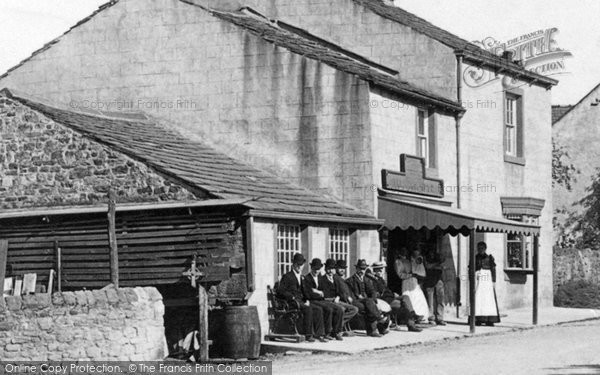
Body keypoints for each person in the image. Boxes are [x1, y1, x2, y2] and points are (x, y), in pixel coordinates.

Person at [277, 253, 327, 342]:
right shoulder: (287, 276)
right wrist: (291, 297)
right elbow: (281, 291)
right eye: (297, 264)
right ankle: (308, 334)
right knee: (308, 309)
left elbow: (306, 292)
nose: (299, 267)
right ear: (293, 264)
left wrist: (307, 299)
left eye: (301, 265)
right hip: (291, 303)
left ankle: (319, 334)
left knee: (318, 309)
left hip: (301, 301)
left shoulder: (302, 277)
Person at [368, 261, 422, 332]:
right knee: (403, 305)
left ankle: (412, 314)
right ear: (374, 270)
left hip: (390, 297)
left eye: (382, 269)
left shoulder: (380, 279)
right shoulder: (372, 280)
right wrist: (392, 295)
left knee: (405, 297)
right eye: (379, 269)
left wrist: (393, 293)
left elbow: (386, 290)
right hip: (385, 300)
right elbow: (377, 293)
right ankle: (411, 323)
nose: (381, 271)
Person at [304, 258, 345, 341]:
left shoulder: (319, 278)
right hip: (313, 300)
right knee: (328, 309)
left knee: (339, 309)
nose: (316, 271)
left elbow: (324, 291)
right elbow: (307, 293)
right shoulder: (307, 278)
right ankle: (326, 333)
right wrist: (317, 292)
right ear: (311, 268)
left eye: (318, 269)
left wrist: (317, 291)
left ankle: (336, 332)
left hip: (321, 300)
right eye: (315, 269)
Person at [346, 259, 388, 337]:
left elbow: (372, 291)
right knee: (369, 304)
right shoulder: (350, 280)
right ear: (357, 268)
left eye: (364, 269)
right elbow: (350, 295)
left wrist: (374, 300)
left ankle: (373, 330)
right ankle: (379, 323)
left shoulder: (367, 279)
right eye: (361, 268)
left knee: (370, 303)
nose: (362, 270)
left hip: (367, 301)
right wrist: (358, 296)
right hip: (356, 301)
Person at [319, 258, 359, 338]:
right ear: (325, 269)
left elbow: (339, 291)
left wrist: (337, 297)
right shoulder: (321, 279)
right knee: (341, 309)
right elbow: (323, 295)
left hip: (337, 300)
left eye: (332, 269)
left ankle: (336, 324)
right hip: (327, 301)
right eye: (329, 269)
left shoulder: (335, 279)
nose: (330, 271)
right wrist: (333, 299)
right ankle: (337, 331)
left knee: (354, 309)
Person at [395, 247, 430, 322]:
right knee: (410, 297)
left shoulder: (409, 260)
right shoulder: (398, 261)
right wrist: (411, 275)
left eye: (406, 251)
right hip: (407, 282)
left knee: (418, 297)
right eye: (403, 251)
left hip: (413, 281)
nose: (405, 252)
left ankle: (419, 315)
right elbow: (400, 274)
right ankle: (411, 316)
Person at [471, 241, 501, 326]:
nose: (480, 250)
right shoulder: (475, 258)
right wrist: (472, 279)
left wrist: (494, 281)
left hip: (487, 281)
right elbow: (471, 269)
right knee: (478, 299)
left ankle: (489, 320)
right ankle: (478, 319)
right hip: (478, 281)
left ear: (485, 249)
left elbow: (493, 269)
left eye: (482, 248)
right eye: (479, 248)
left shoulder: (490, 258)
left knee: (488, 299)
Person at [424, 245, 446, 325]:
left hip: (439, 279)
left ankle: (440, 318)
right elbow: (428, 266)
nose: (432, 252)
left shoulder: (438, 257)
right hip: (430, 280)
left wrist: (435, 265)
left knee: (440, 299)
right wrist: (437, 264)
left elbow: (442, 265)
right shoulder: (425, 257)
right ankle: (431, 318)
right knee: (430, 300)